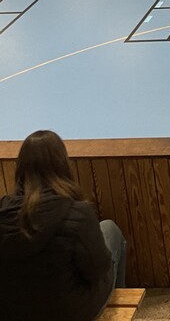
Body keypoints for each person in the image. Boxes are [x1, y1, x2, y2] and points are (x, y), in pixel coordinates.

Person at [0, 129, 127, 321]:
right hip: (68, 312)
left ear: (20, 167)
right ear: (62, 165)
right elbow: (98, 270)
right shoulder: (77, 213)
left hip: (12, 312)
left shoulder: (3, 210)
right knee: (110, 229)